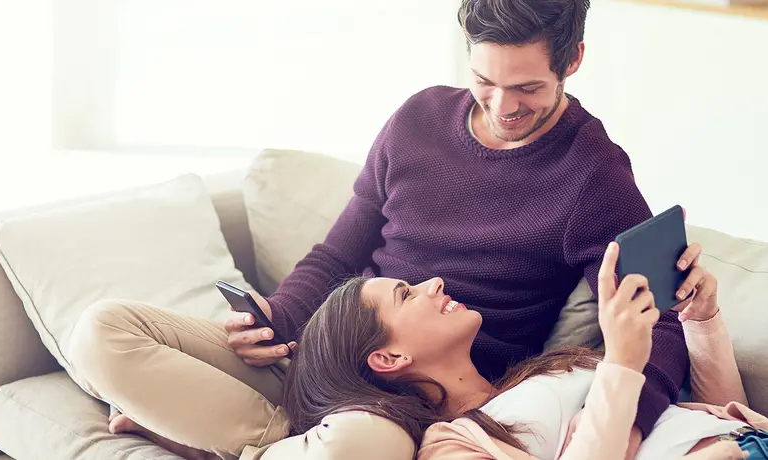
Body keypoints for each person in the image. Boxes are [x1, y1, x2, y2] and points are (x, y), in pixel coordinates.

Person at [64, 0, 694, 458]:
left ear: (573, 60)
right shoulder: (417, 119)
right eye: (484, 82)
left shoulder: (594, 174)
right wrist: (277, 317)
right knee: (100, 333)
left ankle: (242, 440)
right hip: (324, 347)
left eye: (526, 88)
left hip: (409, 403)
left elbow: (663, 318)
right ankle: (265, 434)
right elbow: (339, 254)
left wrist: (630, 425)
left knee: (356, 447)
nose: (503, 108)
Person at [286, 241, 768, 460]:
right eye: (403, 296)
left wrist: (702, 322)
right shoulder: (451, 446)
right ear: (386, 360)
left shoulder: (533, 375)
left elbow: (705, 415)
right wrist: (620, 361)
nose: (430, 283)